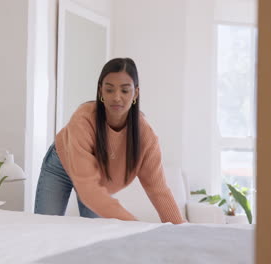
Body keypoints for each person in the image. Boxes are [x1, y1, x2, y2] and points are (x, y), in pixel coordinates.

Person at [34, 57, 185, 224]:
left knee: (99, 234)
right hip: (61, 165)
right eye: (110, 90)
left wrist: (182, 231)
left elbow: (158, 190)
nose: (117, 98)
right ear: (101, 92)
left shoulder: (145, 136)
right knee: (45, 226)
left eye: (125, 91)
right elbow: (89, 191)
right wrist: (133, 226)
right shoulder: (83, 119)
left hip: (95, 177)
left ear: (136, 93)